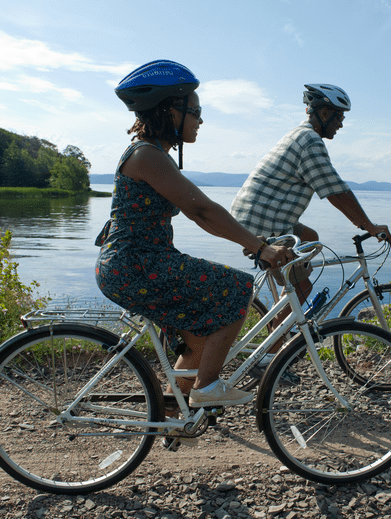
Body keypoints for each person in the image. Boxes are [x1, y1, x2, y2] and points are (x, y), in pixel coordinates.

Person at [95, 60, 293, 410]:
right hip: (136, 264)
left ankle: (176, 411)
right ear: (171, 111)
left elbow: (202, 215)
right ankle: (207, 387)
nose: (201, 120)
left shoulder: (153, 154)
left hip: (142, 262)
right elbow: (202, 210)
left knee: (203, 330)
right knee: (237, 287)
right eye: (196, 112)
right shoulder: (147, 156)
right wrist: (259, 246)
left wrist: (251, 243)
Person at [230, 84, 391, 367]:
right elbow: (335, 191)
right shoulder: (310, 142)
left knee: (311, 238)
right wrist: (368, 225)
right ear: (325, 112)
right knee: (302, 286)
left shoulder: (299, 134)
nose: (341, 124)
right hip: (263, 223)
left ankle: (284, 306)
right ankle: (271, 353)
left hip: (262, 216)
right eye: (339, 116)